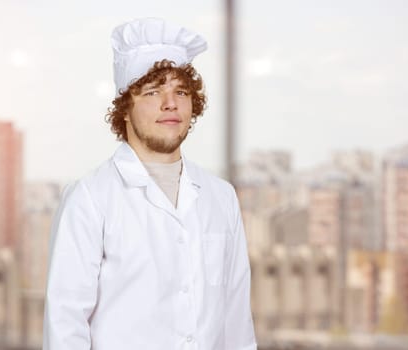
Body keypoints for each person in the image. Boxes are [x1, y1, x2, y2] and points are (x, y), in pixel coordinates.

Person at [43, 17, 257, 350]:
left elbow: (237, 323)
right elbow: (65, 326)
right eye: (153, 91)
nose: (170, 103)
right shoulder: (89, 197)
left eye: (181, 91)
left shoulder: (221, 196)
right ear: (124, 108)